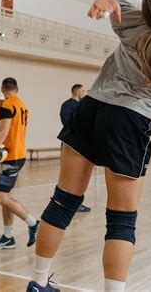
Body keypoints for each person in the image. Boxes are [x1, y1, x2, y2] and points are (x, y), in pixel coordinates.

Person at [26, 0, 151, 292]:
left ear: (148, 8)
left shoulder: (131, 17)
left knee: (62, 202)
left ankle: (38, 283)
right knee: (121, 221)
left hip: (92, 109)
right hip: (130, 124)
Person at [0, 77, 39, 250]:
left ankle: (33, 223)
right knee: (5, 197)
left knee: (1, 197)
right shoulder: (22, 105)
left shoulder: (6, 105)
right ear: (17, 88)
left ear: (2, 88)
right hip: (17, 154)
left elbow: (3, 131)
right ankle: (8, 237)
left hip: (12, 157)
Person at [59, 84, 91, 213]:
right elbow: (69, 123)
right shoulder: (67, 105)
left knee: (79, 177)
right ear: (77, 92)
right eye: (83, 91)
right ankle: (68, 204)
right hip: (71, 145)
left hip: (82, 145)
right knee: (70, 176)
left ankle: (75, 203)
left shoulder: (82, 105)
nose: (84, 93)